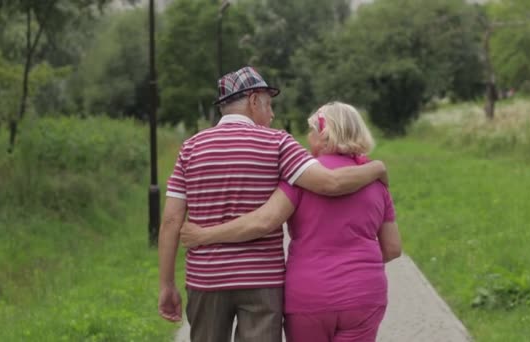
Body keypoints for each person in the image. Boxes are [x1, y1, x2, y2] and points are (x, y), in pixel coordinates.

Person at [157, 67, 388, 342]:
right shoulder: (278, 142)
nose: (272, 114)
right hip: (262, 281)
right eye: (269, 104)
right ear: (254, 101)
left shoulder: (191, 148)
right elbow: (330, 184)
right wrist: (376, 169)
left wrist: (167, 284)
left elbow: (171, 221)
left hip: (206, 278)